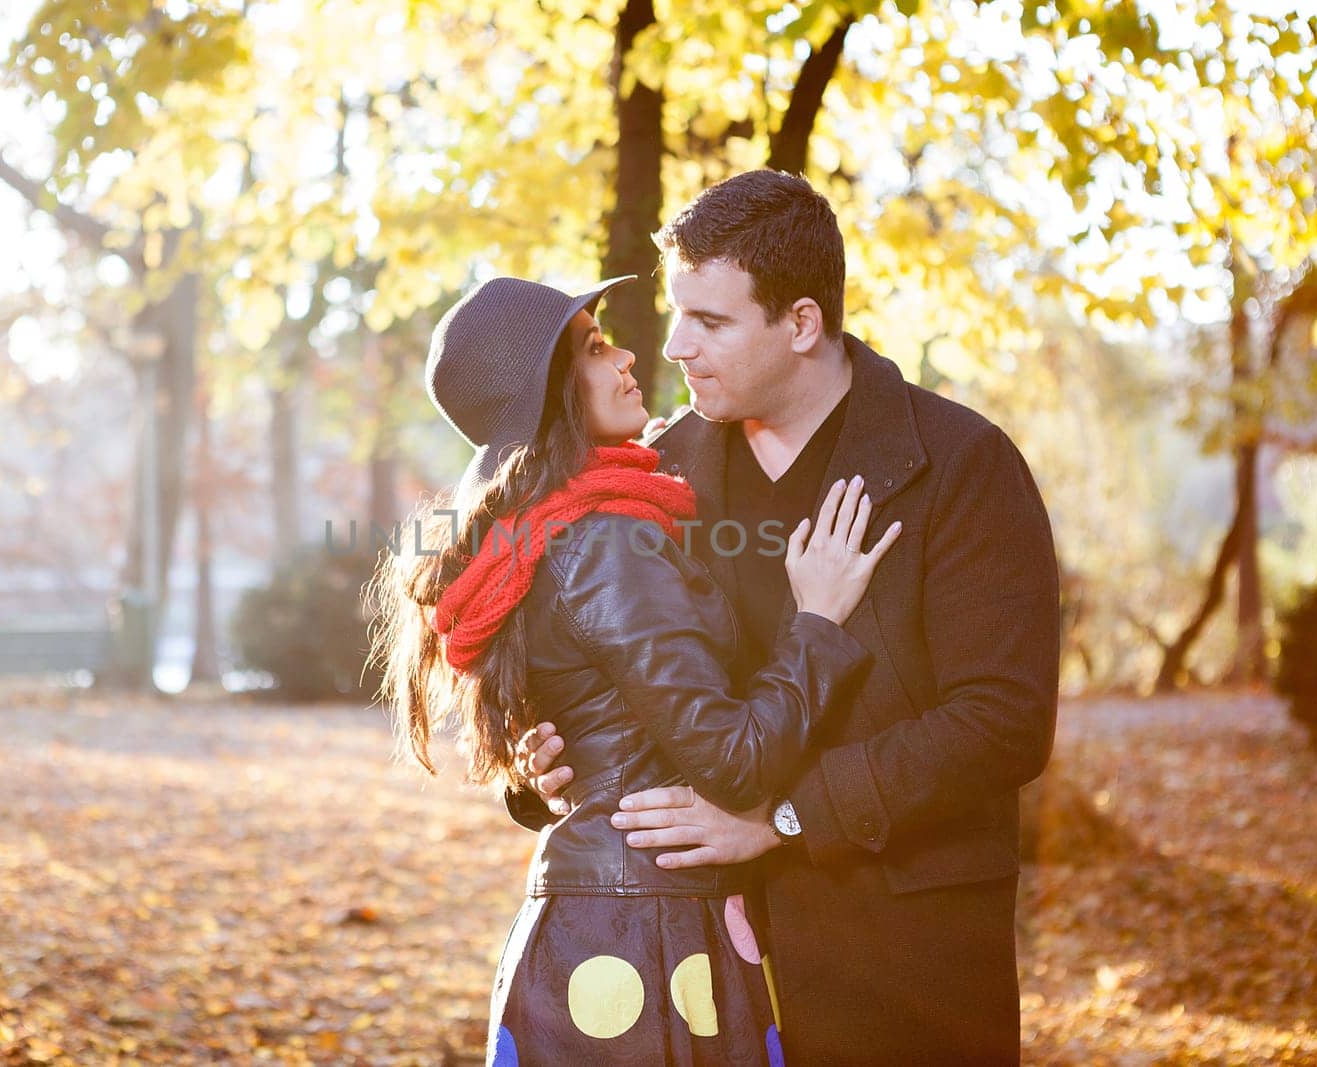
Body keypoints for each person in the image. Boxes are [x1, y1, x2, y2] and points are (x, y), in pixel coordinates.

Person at [514, 169, 1062, 1065]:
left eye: (713, 322)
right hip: (699, 973)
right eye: (679, 313)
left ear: (802, 323)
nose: (678, 345)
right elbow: (628, 678)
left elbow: (1002, 723)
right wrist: (558, 760)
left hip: (903, 966)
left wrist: (785, 817)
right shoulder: (656, 475)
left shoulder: (964, 466)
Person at [367, 273, 900, 1065]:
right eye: (591, 347)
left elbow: (582, 727)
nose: (624, 358)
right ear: (549, 394)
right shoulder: (607, 537)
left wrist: (539, 776)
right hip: (648, 930)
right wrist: (818, 621)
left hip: (593, 926)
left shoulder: (542, 529)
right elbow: (732, 757)